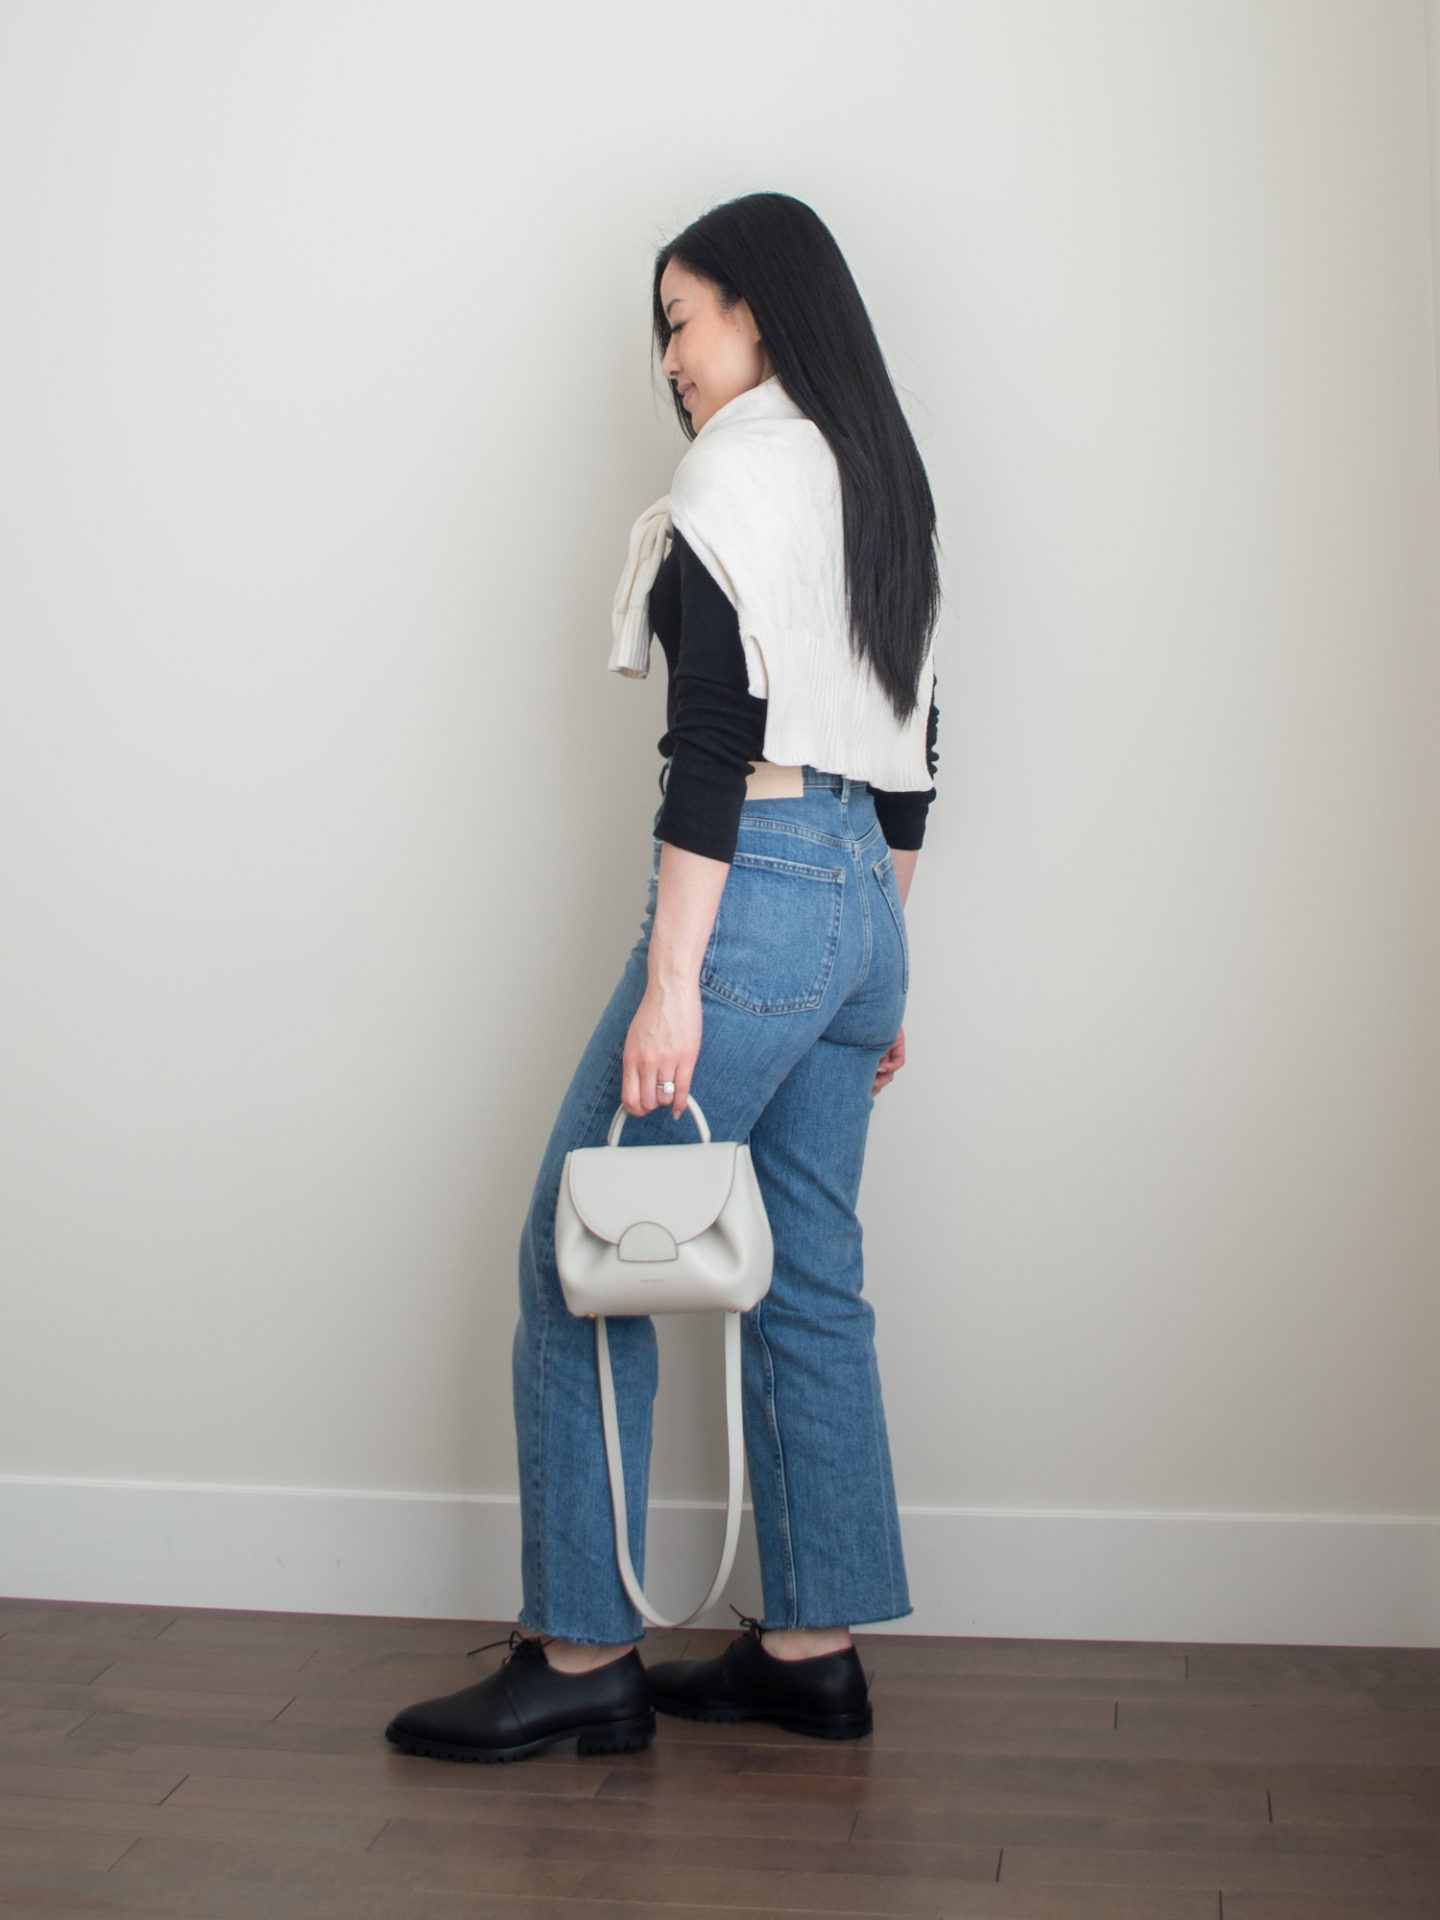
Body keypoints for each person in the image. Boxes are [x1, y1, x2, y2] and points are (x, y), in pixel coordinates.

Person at [385, 191, 941, 1766]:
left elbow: (712, 745)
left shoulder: (737, 475)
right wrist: (873, 962)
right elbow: (910, 757)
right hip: (858, 907)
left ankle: (579, 1652)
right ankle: (811, 1649)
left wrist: (679, 981)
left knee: (580, 1250)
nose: (671, 359)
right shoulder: (881, 483)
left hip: (753, 896)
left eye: (682, 319)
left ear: (759, 312)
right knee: (814, 1270)